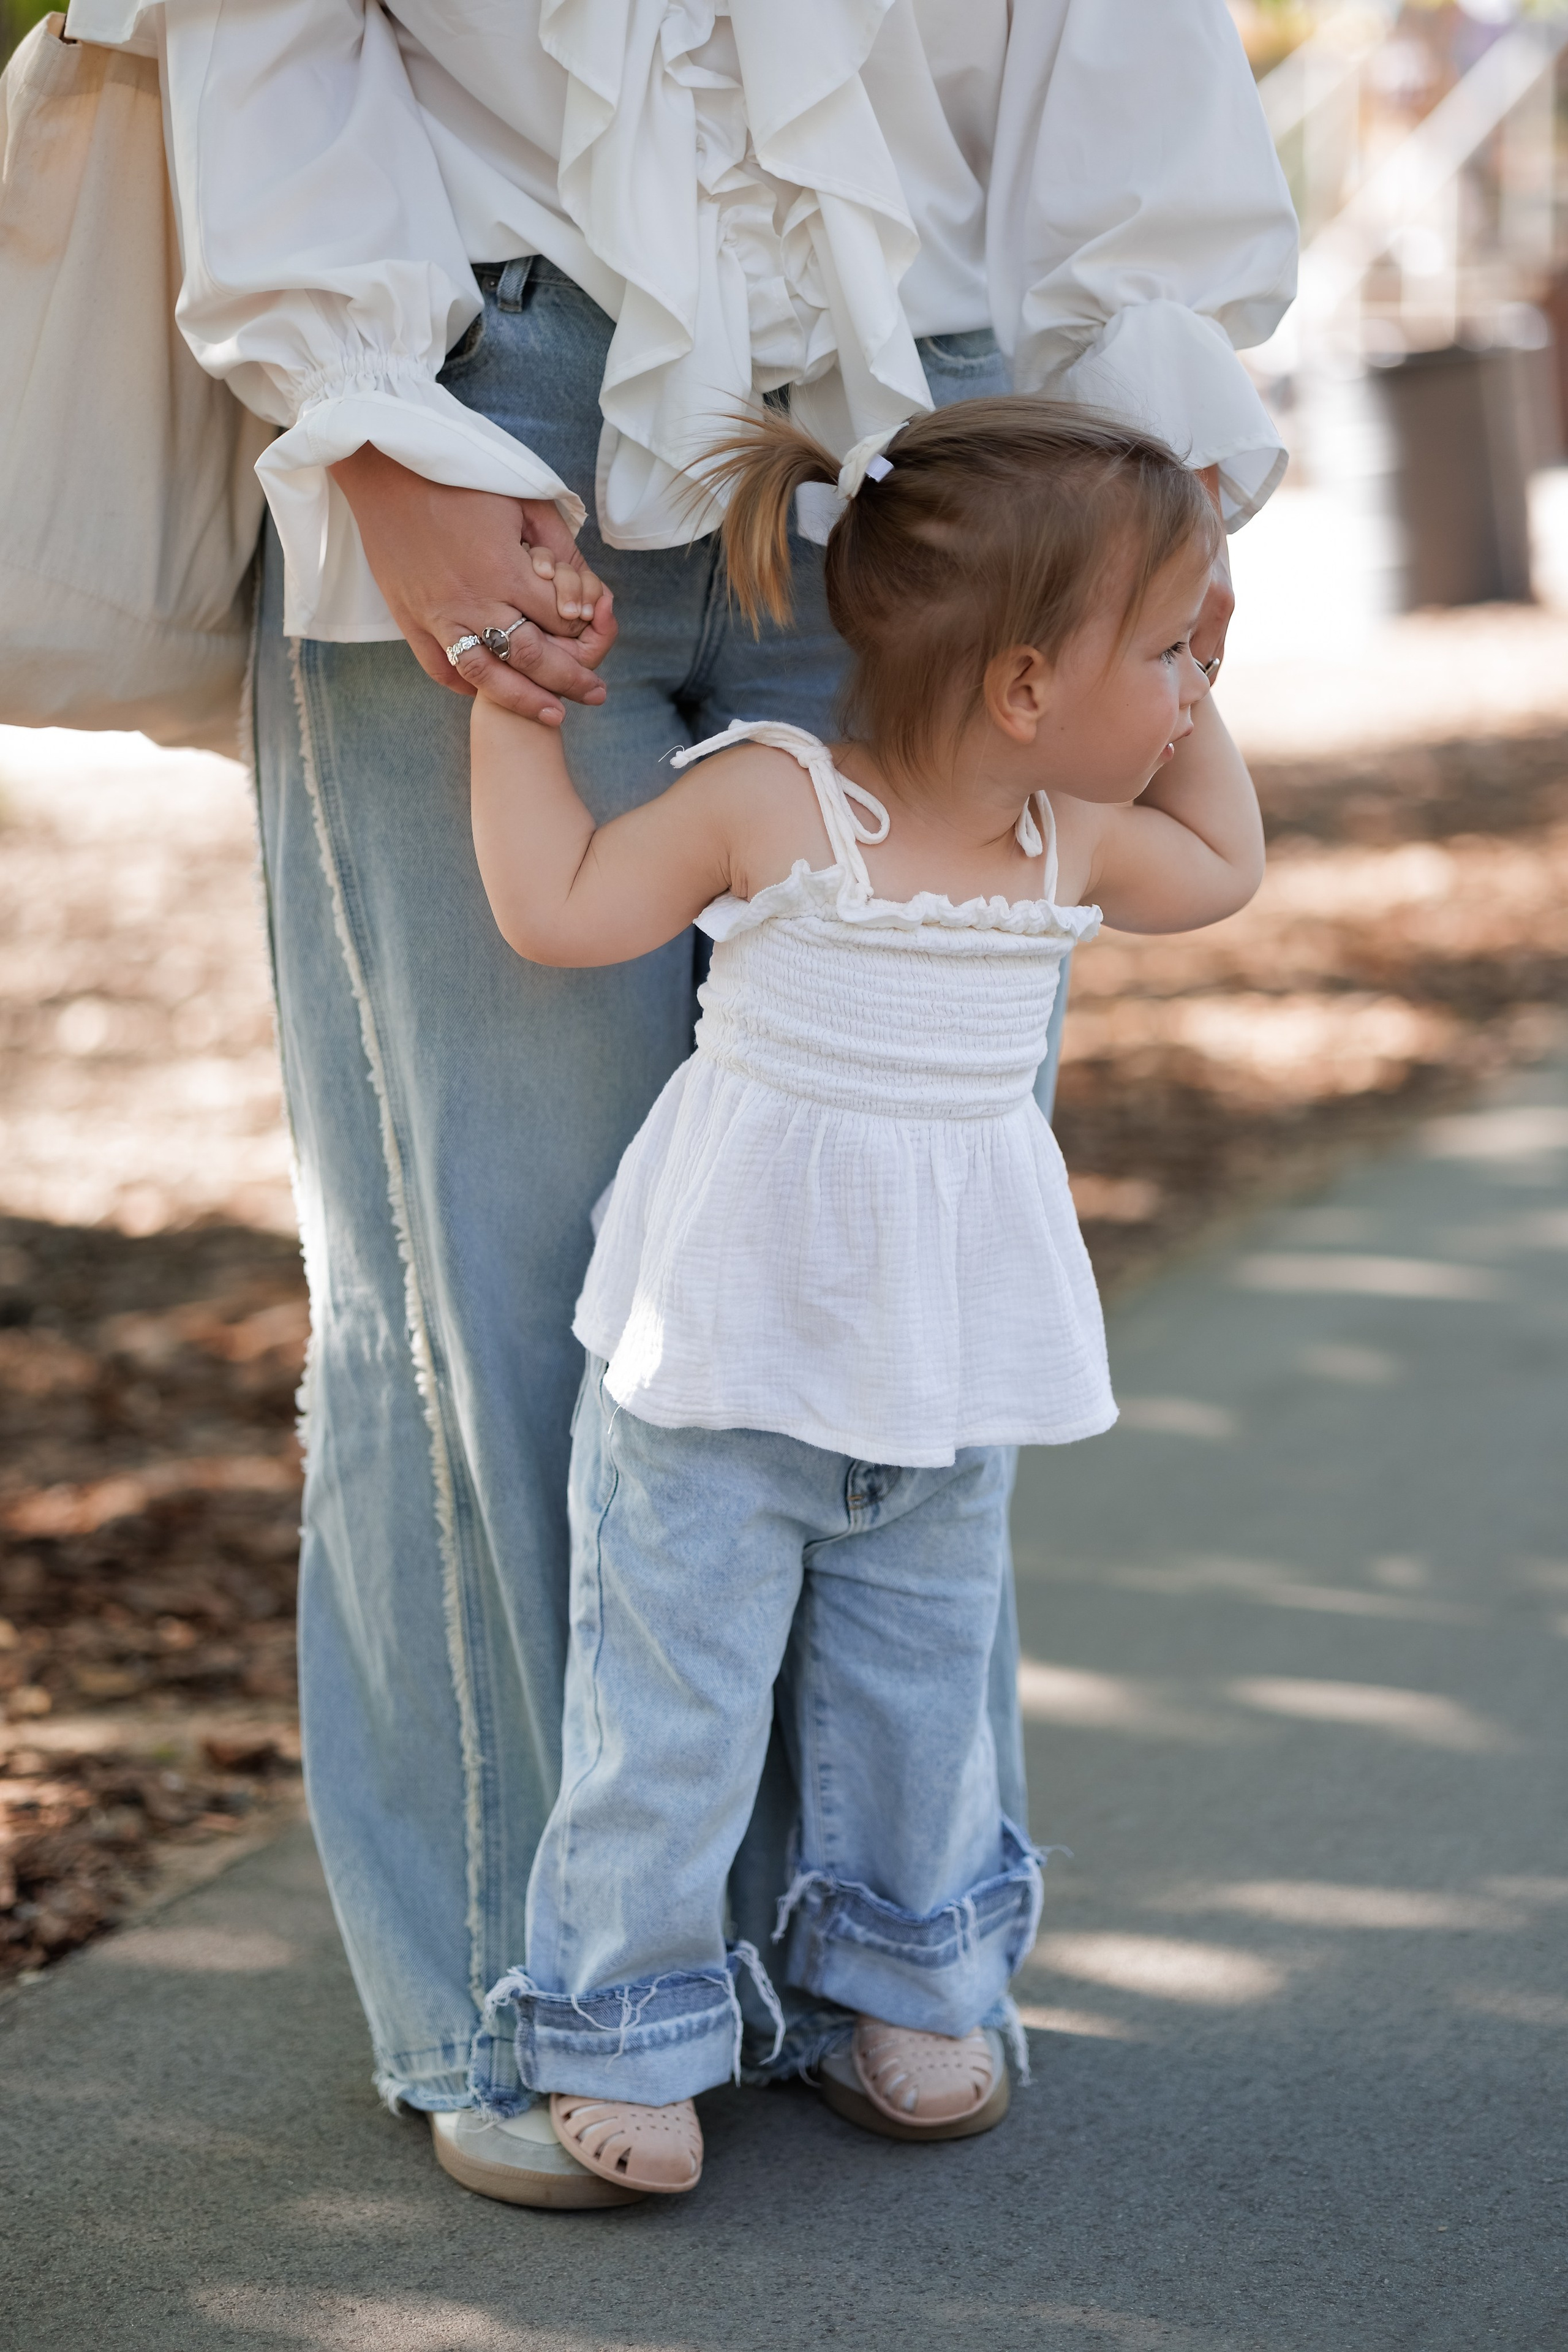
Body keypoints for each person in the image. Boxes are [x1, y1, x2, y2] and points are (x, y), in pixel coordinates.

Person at [69, 0, 1295, 2199]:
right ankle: (538, 1995)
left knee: (892, 1331)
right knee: (515, 1270)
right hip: (481, 389)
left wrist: (1163, 499)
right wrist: (374, 434)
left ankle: (885, 1956)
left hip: (958, 445)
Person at [464, 398, 1265, 2200]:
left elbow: (1228, 871)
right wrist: (508, 718)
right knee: (669, 1720)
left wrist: (1210, 681)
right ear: (1027, 688)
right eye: (1168, 647)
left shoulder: (1071, 846)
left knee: (919, 1707)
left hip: (943, 1381)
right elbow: (564, 909)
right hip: (719, 1383)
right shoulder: (780, 801)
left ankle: (912, 1981)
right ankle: (624, 2026)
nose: (1196, 681)